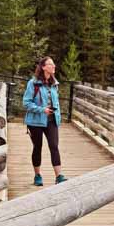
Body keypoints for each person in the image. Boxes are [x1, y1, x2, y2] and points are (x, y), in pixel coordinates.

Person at [23, 56, 67, 186]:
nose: (53, 66)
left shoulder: (54, 84)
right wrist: (42, 110)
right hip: (35, 122)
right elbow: (26, 103)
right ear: (43, 67)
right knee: (38, 147)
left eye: (53, 64)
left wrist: (56, 113)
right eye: (50, 64)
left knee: (54, 146)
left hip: (52, 120)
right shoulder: (33, 83)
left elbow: (56, 102)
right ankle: (37, 176)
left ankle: (59, 176)